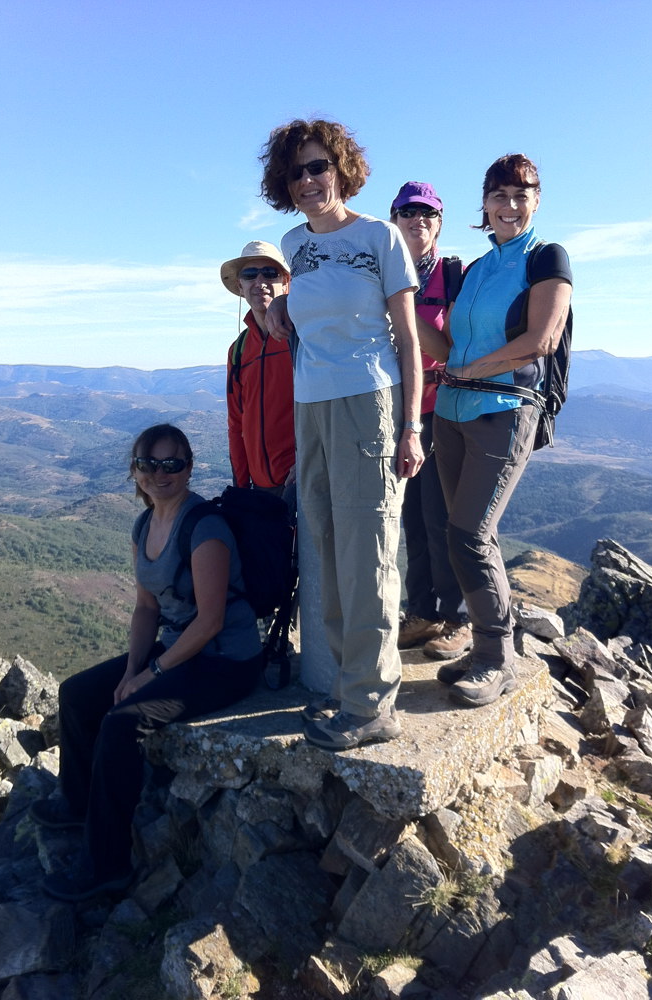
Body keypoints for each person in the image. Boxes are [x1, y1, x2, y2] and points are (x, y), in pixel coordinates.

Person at [30, 424, 264, 900]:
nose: (160, 474)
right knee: (76, 694)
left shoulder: (205, 528)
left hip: (226, 661)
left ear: (189, 468)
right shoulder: (143, 526)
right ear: (135, 471)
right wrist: (132, 670)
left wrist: (150, 677)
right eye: (149, 464)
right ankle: (78, 802)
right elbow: (145, 609)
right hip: (179, 648)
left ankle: (106, 866)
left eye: (172, 464)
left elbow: (210, 622)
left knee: (121, 724)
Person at [259, 118, 424, 751]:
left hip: (369, 403)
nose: (308, 180)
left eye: (318, 166)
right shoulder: (293, 245)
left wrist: (410, 425)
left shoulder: (380, 237)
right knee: (327, 549)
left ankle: (373, 703)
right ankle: (345, 689)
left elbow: (408, 342)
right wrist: (278, 308)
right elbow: (303, 310)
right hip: (312, 406)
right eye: (296, 171)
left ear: (342, 169)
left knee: (369, 553)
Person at [432, 153, 572, 707]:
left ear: (536, 200)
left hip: (505, 409)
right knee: (462, 534)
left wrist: (467, 370)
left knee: (470, 533)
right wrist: (396, 312)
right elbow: (451, 347)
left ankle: (496, 660)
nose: (510, 206)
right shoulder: (476, 270)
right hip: (451, 410)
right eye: (500, 196)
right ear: (484, 204)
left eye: (522, 194)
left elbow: (540, 340)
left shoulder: (546, 259)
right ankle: (490, 644)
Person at [389, 182, 470, 659]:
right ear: (394, 219)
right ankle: (422, 612)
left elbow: (449, 350)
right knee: (412, 522)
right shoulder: (382, 273)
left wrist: (399, 304)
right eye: (408, 212)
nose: (418, 219)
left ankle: (458, 618)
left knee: (442, 519)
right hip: (398, 414)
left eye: (428, 212)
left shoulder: (452, 275)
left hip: (441, 414)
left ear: (440, 222)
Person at [221, 241, 295, 496]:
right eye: (250, 275)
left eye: (270, 273)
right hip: (261, 490)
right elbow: (236, 422)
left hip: (305, 480)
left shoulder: (303, 335)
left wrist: (311, 460)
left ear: (285, 281)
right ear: (240, 286)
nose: (260, 281)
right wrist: (241, 488)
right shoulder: (239, 349)